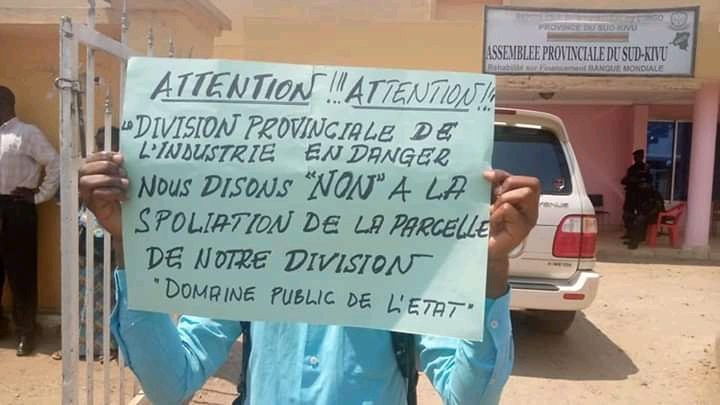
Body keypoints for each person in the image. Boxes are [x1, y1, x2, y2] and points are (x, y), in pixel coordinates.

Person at [79, 150, 540, 405]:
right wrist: (128, 247)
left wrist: (491, 270)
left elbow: (470, 399)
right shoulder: (247, 263)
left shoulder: (409, 274)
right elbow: (170, 384)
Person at [0, 85, 60, 356]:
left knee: (21, 272)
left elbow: (54, 162)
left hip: (17, 208)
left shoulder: (26, 133)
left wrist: (39, 196)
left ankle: (26, 332)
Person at [52, 126, 121, 362]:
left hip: (112, 245)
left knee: (110, 299)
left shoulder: (123, 174)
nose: (105, 150)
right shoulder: (85, 171)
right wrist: (79, 190)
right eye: (100, 144)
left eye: (111, 145)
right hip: (85, 243)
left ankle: (109, 347)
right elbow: (62, 200)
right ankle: (78, 346)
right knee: (81, 296)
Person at [621, 149, 652, 239]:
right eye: (635, 157)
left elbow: (649, 181)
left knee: (641, 216)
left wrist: (641, 183)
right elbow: (625, 180)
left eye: (637, 157)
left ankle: (641, 235)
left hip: (642, 197)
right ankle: (629, 233)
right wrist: (629, 180)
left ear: (641, 157)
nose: (635, 159)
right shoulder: (631, 168)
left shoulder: (646, 168)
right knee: (627, 214)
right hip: (631, 195)